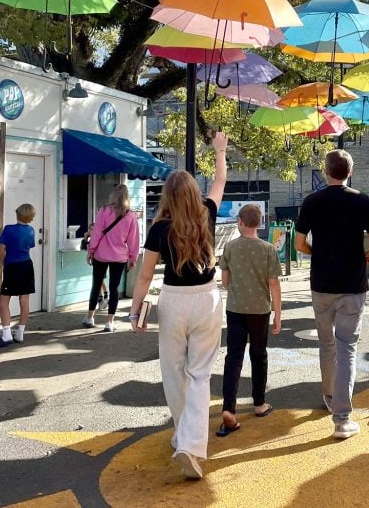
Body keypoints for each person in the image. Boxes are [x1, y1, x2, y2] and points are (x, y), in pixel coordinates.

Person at [129, 131, 228, 480]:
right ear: (193, 193)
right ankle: (190, 443)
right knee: (200, 375)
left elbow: (144, 276)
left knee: (173, 372)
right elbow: (220, 180)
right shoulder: (206, 214)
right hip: (207, 298)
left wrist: (135, 310)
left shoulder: (159, 228)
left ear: (167, 197)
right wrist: (219, 150)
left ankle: (182, 435)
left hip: (173, 300)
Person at [294, 149, 369, 439]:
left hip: (321, 285)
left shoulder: (312, 201)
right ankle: (342, 419)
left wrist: (317, 252)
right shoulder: (362, 201)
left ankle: (330, 396)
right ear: (350, 172)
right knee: (347, 348)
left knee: (327, 344)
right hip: (353, 286)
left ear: (325, 171)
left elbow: (298, 244)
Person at [217, 204, 282, 437]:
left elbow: (225, 281)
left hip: (235, 309)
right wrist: (277, 313)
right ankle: (259, 403)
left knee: (233, 357)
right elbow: (274, 284)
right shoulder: (268, 249)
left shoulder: (230, 247)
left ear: (240, 222)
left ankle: (228, 407)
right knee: (259, 354)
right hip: (260, 311)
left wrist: (237, 290)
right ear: (260, 223)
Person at [83, 184, 139, 332]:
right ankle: (109, 322)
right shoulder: (130, 215)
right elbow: (133, 240)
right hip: (119, 257)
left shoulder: (104, 211)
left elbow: (96, 233)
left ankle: (90, 317)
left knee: (96, 285)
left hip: (100, 255)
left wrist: (90, 250)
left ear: (113, 195)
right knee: (114, 289)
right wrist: (133, 258)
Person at [0, 203, 36, 348]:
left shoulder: (9, 229)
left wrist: (3, 265)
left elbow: (1, 249)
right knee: (24, 299)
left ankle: (6, 334)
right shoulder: (31, 230)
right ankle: (20, 332)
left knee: (3, 301)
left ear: (18, 214)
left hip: (12, 265)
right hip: (27, 265)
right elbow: (29, 246)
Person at [81, 223, 108, 311]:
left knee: (101, 280)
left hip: (102, 262)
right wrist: (85, 238)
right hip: (95, 263)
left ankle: (106, 296)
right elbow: (84, 248)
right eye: (90, 229)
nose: (92, 231)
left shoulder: (99, 238)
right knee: (97, 282)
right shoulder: (90, 240)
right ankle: (100, 300)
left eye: (93, 229)